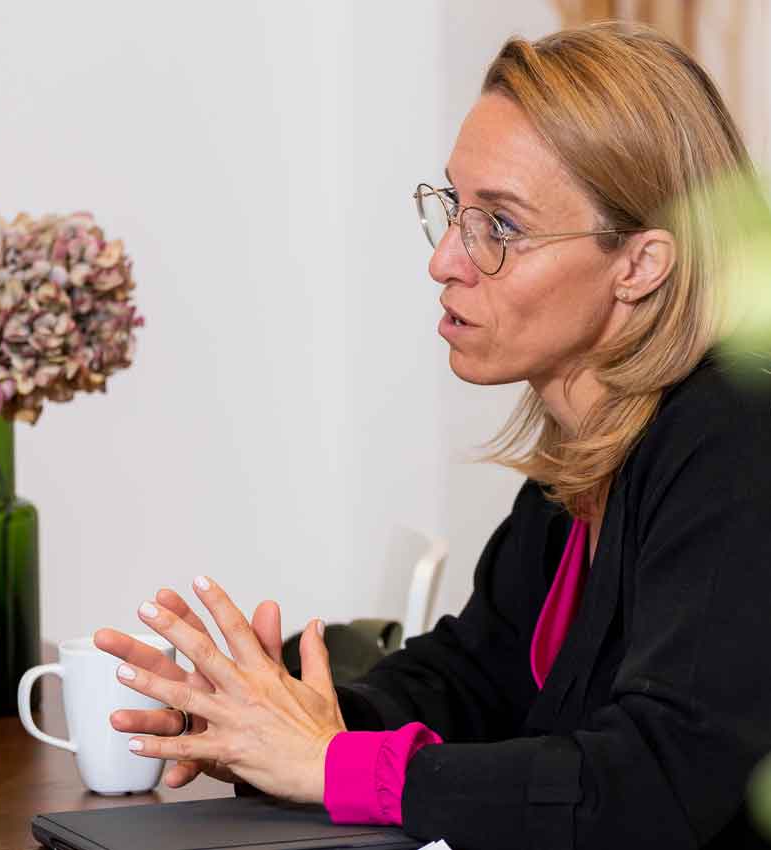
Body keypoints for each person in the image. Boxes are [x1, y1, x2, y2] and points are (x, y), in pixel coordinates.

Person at [94, 20, 771, 849]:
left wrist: (333, 765)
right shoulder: (585, 457)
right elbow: (472, 678)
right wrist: (266, 718)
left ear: (639, 264)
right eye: (455, 207)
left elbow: (659, 781)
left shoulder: (735, 441)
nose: (446, 258)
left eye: (502, 227)